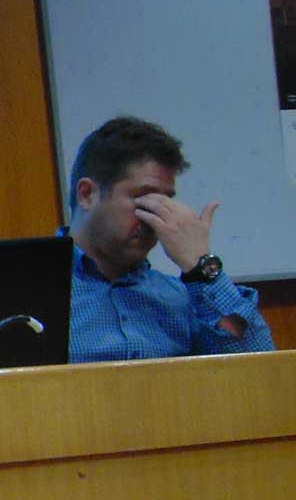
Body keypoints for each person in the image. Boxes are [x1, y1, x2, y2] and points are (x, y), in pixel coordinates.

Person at [63, 116, 274, 362]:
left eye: (166, 202)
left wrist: (200, 267)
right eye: (144, 198)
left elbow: (259, 369)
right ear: (87, 194)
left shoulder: (184, 298)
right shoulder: (32, 290)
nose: (156, 217)